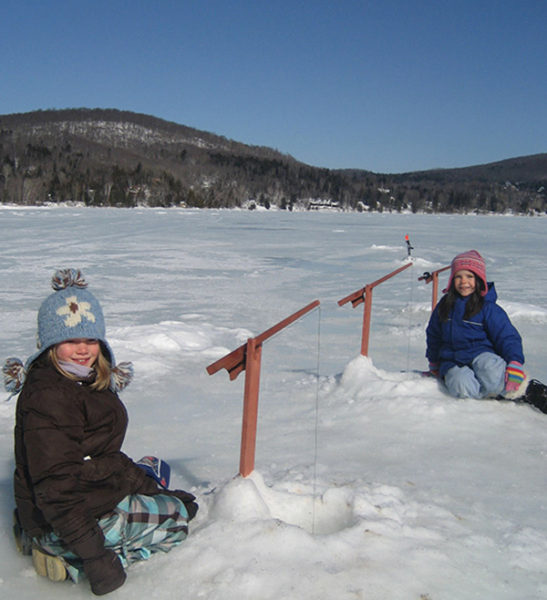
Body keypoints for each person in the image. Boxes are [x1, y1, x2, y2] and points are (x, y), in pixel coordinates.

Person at [3, 269, 198, 595]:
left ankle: (44, 539)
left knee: (155, 476)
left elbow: (106, 459)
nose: (83, 350)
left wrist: (155, 492)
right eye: (70, 341)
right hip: (72, 518)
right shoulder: (50, 398)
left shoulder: (81, 379)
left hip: (77, 500)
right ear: (50, 343)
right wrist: (96, 559)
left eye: (90, 339)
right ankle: (66, 559)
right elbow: (57, 488)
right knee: (177, 521)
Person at [426, 250, 527, 400]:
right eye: (458, 277)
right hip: (453, 359)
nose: (464, 282)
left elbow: (507, 336)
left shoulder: (487, 307)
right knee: (461, 384)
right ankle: (479, 405)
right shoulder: (445, 305)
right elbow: (434, 334)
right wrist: (434, 362)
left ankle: (510, 392)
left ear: (479, 279)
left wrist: (515, 362)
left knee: (490, 370)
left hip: (481, 354)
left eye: (470, 276)